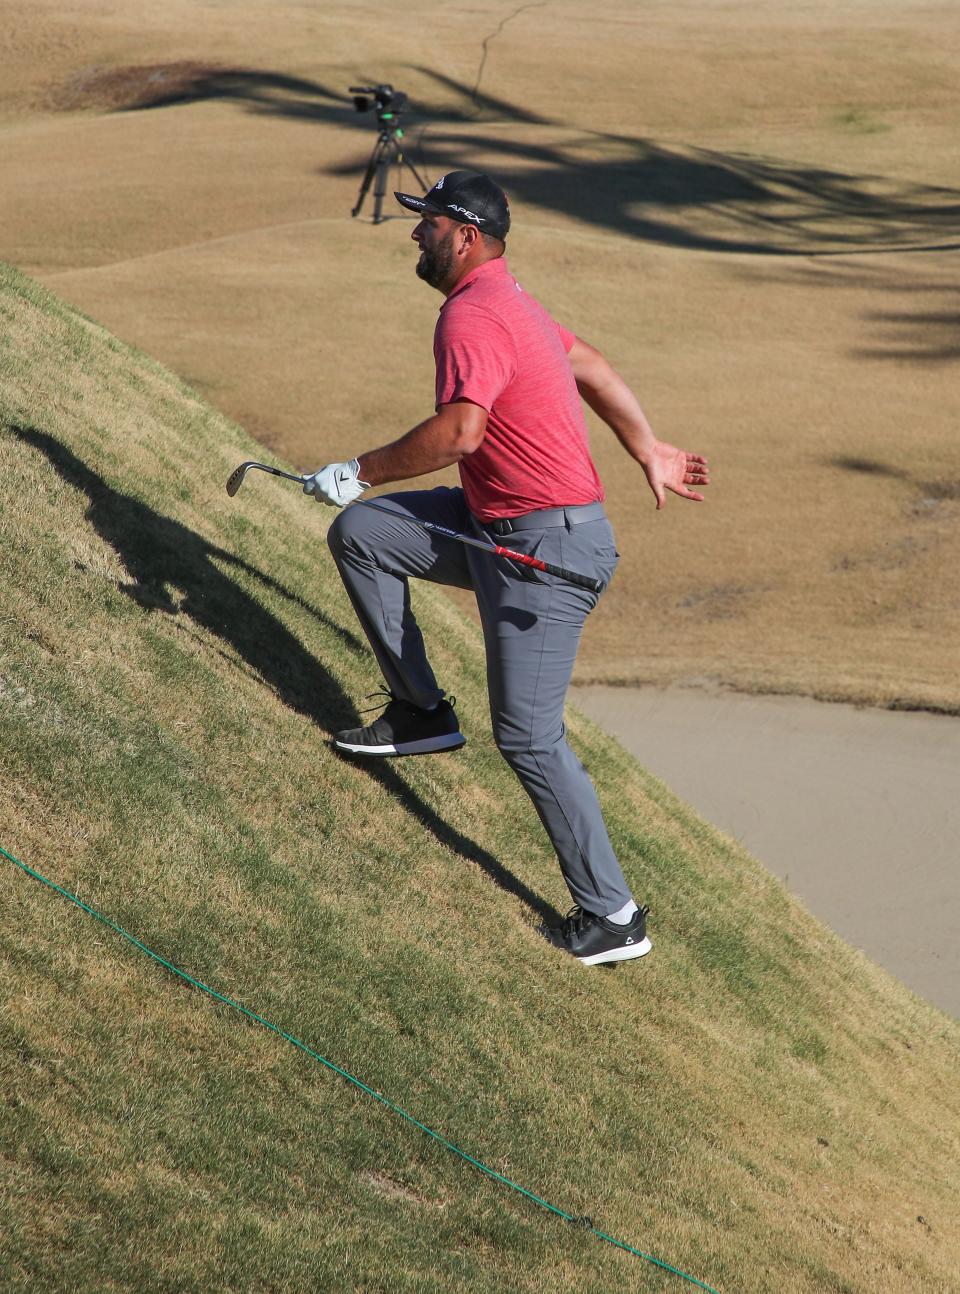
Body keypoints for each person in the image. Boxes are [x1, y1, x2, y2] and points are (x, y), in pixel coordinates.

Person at [304, 170, 709, 965]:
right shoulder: (510, 300)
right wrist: (647, 447)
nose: (414, 233)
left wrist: (362, 467)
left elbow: (461, 433)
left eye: (427, 223)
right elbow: (587, 362)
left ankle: (614, 917)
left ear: (465, 234)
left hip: (546, 552)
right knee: (366, 535)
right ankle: (421, 714)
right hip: (496, 529)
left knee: (527, 736)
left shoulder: (472, 313)